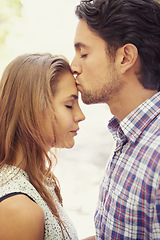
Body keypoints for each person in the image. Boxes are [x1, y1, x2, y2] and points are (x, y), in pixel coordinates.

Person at [71, 0, 160, 239]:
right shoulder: (128, 134)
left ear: (125, 58)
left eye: (84, 53)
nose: (73, 66)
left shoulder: (157, 153)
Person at [0, 53, 85, 240]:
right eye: (69, 105)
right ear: (33, 110)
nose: (81, 115)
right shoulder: (18, 208)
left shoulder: (38, 178)